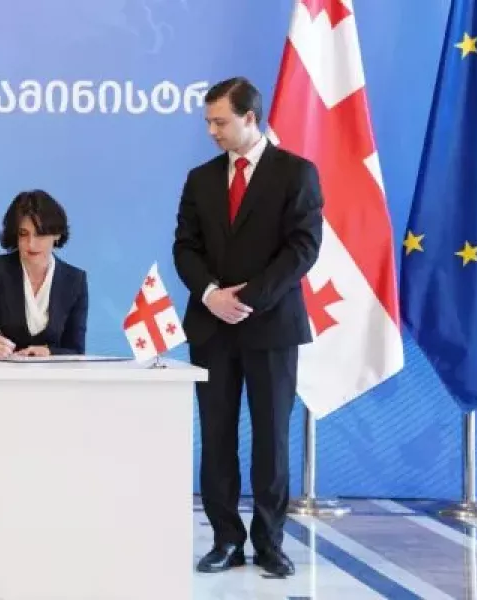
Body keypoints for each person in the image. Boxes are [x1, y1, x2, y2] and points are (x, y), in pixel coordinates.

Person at [173, 77, 324, 577]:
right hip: (212, 327)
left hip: (272, 326)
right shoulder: (200, 179)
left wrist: (249, 298)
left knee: (271, 438)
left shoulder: (296, 173)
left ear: (250, 118)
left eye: (220, 121)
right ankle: (226, 540)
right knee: (216, 437)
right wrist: (210, 295)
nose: (211, 131)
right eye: (208, 122)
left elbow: (303, 247)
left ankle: (270, 542)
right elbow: (185, 247)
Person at [0, 190, 88, 359]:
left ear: (57, 235)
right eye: (23, 234)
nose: (31, 244)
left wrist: (49, 352)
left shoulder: (74, 280)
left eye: (40, 234)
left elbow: (76, 349)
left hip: (52, 374)